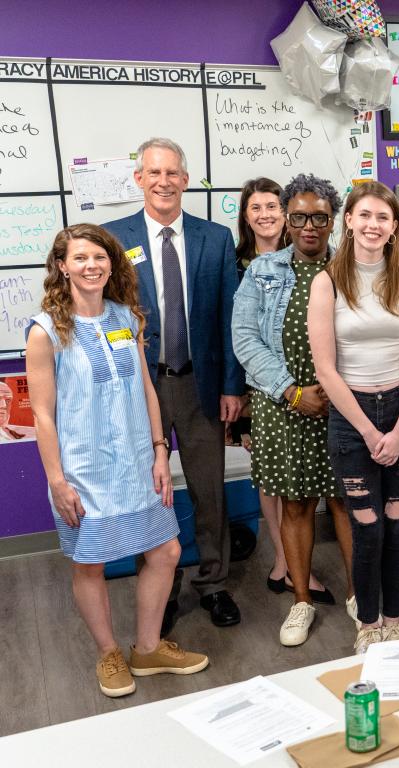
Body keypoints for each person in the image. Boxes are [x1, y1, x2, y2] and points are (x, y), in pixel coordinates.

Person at [26, 224, 209, 697]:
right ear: (62, 266)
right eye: (81, 258)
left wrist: (159, 450)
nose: (92, 266)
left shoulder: (126, 316)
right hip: (82, 470)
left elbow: (146, 387)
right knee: (91, 563)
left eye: (100, 257)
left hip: (136, 462)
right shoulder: (46, 330)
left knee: (166, 551)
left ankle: (146, 648)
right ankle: (109, 653)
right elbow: (42, 416)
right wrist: (56, 481)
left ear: (112, 264)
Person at [104, 137, 245, 632]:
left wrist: (233, 385)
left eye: (173, 173)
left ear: (186, 180)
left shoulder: (216, 238)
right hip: (143, 386)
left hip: (201, 385)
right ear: (139, 179)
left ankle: (214, 582)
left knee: (210, 489)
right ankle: (158, 588)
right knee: (150, 492)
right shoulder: (111, 239)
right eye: (153, 173)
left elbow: (230, 316)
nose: (163, 182)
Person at [232, 174, 354, 646]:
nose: (308, 226)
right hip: (284, 408)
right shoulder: (262, 272)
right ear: (286, 216)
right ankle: (301, 600)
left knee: (347, 500)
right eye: (299, 216)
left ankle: (359, 596)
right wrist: (290, 390)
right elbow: (245, 339)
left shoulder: (350, 270)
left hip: (343, 407)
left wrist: (341, 393)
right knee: (297, 504)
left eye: (319, 217)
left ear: (332, 220)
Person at [309, 181, 399, 652]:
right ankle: (368, 625)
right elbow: (325, 367)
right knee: (368, 527)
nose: (373, 225)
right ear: (349, 221)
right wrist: (368, 428)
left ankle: (394, 621)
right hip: (351, 417)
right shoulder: (328, 281)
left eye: (382, 217)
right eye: (364, 216)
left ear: (395, 226)